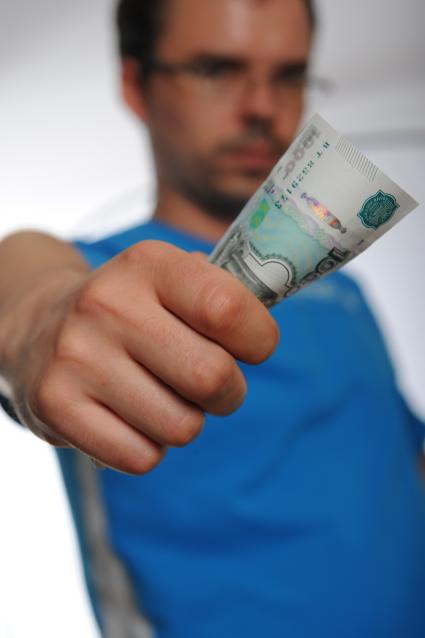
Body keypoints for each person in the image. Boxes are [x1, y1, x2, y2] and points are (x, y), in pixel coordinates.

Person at [1, 0, 424, 636]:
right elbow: (27, 292)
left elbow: (399, 463)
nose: (263, 106)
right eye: (216, 69)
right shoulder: (95, 280)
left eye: (288, 74)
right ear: (136, 85)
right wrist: (41, 315)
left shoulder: (347, 290)